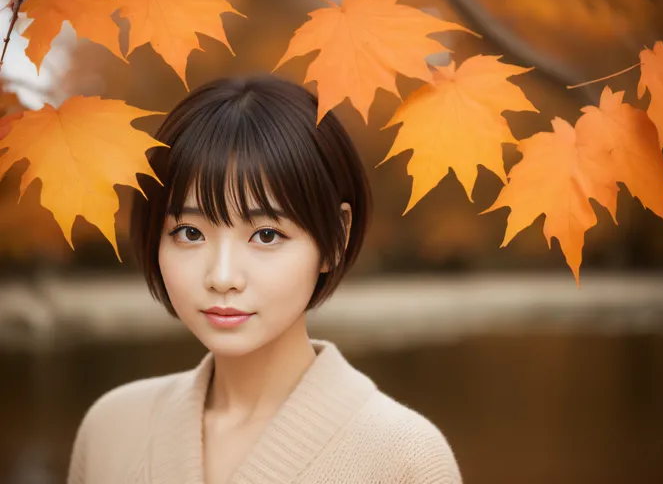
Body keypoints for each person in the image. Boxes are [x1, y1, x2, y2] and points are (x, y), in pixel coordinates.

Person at [66, 74, 462, 484]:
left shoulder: (404, 457)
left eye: (266, 235)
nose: (222, 277)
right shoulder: (110, 430)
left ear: (336, 239)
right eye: (190, 232)